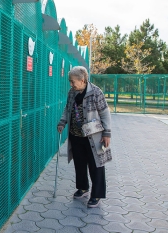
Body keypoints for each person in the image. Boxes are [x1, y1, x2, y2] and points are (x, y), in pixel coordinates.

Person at [57, 66, 112, 208]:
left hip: (93, 136)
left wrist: (107, 133)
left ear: (82, 80)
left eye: (72, 81)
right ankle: (83, 188)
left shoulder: (95, 92)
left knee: (96, 165)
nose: (71, 84)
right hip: (76, 135)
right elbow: (67, 108)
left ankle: (97, 194)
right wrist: (62, 122)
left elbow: (105, 113)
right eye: (70, 81)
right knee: (79, 164)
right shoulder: (72, 93)